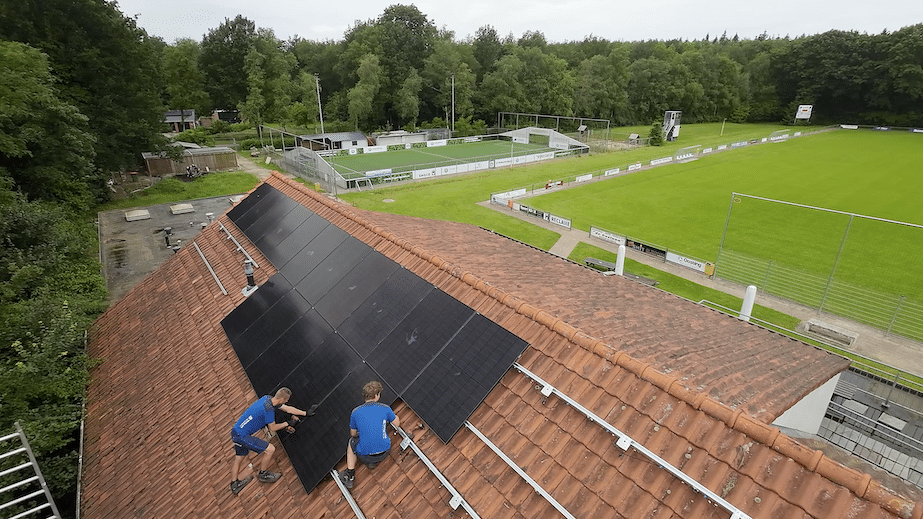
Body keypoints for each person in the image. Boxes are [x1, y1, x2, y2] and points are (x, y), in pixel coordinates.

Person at [229, 387, 312, 495]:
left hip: (236, 431)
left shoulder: (267, 398)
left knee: (239, 458)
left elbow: (288, 409)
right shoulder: (268, 410)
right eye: (286, 400)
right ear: (281, 399)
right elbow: (272, 428)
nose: (286, 402)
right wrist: (288, 423)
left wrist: (305, 413)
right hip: (242, 436)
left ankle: (234, 484)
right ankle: (263, 474)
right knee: (270, 449)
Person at [339, 381, 400, 490]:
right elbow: (397, 423)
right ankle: (372, 462)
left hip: (365, 456)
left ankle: (350, 475)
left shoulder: (355, 412)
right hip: (385, 451)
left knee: (352, 441)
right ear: (376, 395)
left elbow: (353, 434)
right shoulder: (385, 408)